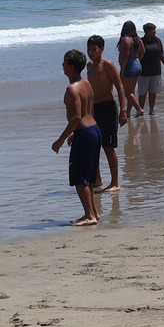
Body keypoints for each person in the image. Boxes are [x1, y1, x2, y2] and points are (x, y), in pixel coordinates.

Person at [52, 50, 100, 227]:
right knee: (89, 177)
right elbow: (90, 112)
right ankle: (94, 212)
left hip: (85, 133)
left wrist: (60, 140)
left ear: (71, 67)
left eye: (64, 63)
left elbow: (76, 117)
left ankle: (89, 216)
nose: (62, 66)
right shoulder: (86, 84)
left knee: (80, 178)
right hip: (94, 130)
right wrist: (75, 132)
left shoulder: (72, 89)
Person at [84, 34, 124, 190]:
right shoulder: (88, 66)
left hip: (108, 107)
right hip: (94, 109)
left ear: (101, 49)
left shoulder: (107, 65)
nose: (91, 52)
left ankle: (115, 182)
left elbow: (119, 87)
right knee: (94, 145)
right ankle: (97, 179)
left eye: (94, 49)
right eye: (89, 49)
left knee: (108, 146)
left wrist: (123, 110)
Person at [137, 22, 164, 114]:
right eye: (153, 30)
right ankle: (140, 110)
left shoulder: (157, 41)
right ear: (146, 31)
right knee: (142, 92)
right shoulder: (141, 41)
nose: (154, 32)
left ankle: (151, 109)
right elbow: (137, 56)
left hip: (156, 70)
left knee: (153, 91)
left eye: (155, 30)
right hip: (144, 71)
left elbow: (161, 54)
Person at [117, 20, 146, 117]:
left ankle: (139, 109)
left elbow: (125, 56)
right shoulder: (137, 39)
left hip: (129, 65)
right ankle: (128, 112)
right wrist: (137, 59)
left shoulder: (125, 39)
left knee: (127, 92)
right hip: (137, 63)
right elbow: (143, 52)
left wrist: (122, 70)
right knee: (131, 91)